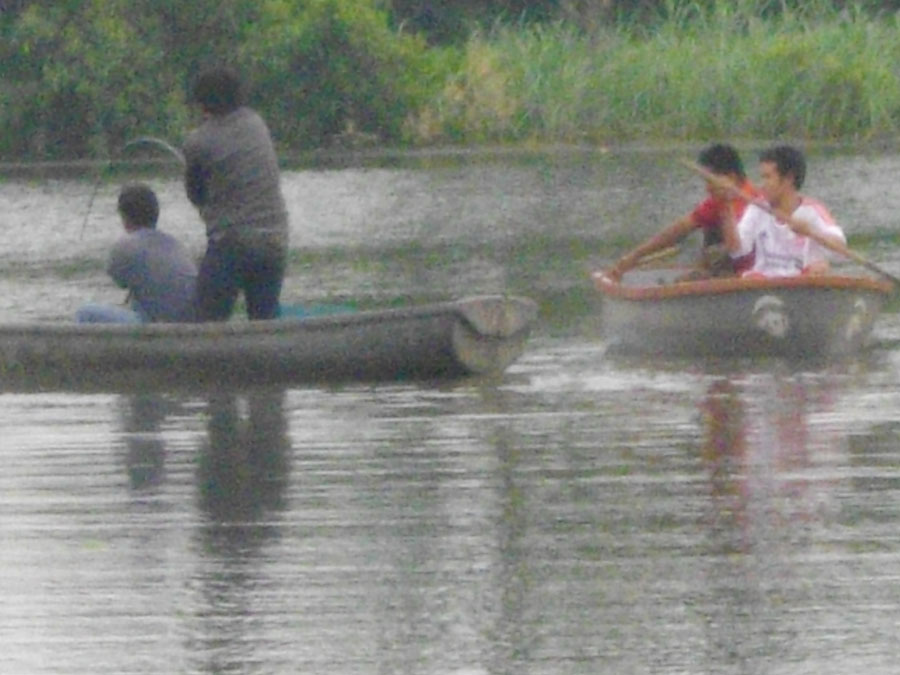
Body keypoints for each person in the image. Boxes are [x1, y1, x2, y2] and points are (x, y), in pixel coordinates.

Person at [182, 65, 289, 321]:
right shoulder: (256, 123)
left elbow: (196, 195)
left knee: (206, 324)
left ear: (202, 103)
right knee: (264, 322)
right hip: (276, 239)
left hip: (232, 242)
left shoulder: (198, 141)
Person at [609, 143, 759, 279]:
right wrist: (634, 256)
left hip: (744, 275)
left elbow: (737, 250)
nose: (707, 188)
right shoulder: (718, 202)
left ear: (731, 178)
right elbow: (678, 230)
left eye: (709, 181)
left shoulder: (750, 203)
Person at [76, 183, 197, 324]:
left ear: (124, 216)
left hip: (160, 323)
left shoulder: (124, 247)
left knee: (84, 313)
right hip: (190, 319)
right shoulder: (176, 245)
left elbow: (120, 282)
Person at [724, 145, 846, 277]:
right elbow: (737, 250)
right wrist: (726, 205)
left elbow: (840, 250)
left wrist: (810, 231)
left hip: (801, 283)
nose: (761, 185)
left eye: (767, 177)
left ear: (789, 178)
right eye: (762, 178)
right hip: (764, 282)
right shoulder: (758, 208)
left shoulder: (813, 211)